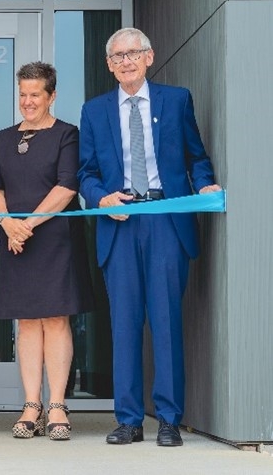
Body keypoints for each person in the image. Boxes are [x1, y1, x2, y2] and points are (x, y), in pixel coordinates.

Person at [78, 28, 221, 447]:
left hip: (165, 221)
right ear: (108, 64)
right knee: (124, 326)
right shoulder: (94, 110)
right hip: (119, 224)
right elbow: (85, 172)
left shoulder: (176, 100)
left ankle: (170, 420)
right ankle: (128, 420)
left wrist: (207, 186)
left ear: (149, 57)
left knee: (166, 322)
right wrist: (101, 198)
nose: (126, 61)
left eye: (133, 53)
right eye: (118, 56)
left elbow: (197, 156)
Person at [0, 62, 93, 441]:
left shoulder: (67, 134)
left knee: (55, 319)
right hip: (16, 238)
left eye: (35, 94)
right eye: (23, 94)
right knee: (27, 321)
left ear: (52, 96)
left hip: (55, 238)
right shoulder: (2, 138)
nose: (28, 101)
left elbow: (67, 188)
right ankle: (32, 405)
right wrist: (7, 224)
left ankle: (58, 404)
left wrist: (26, 225)